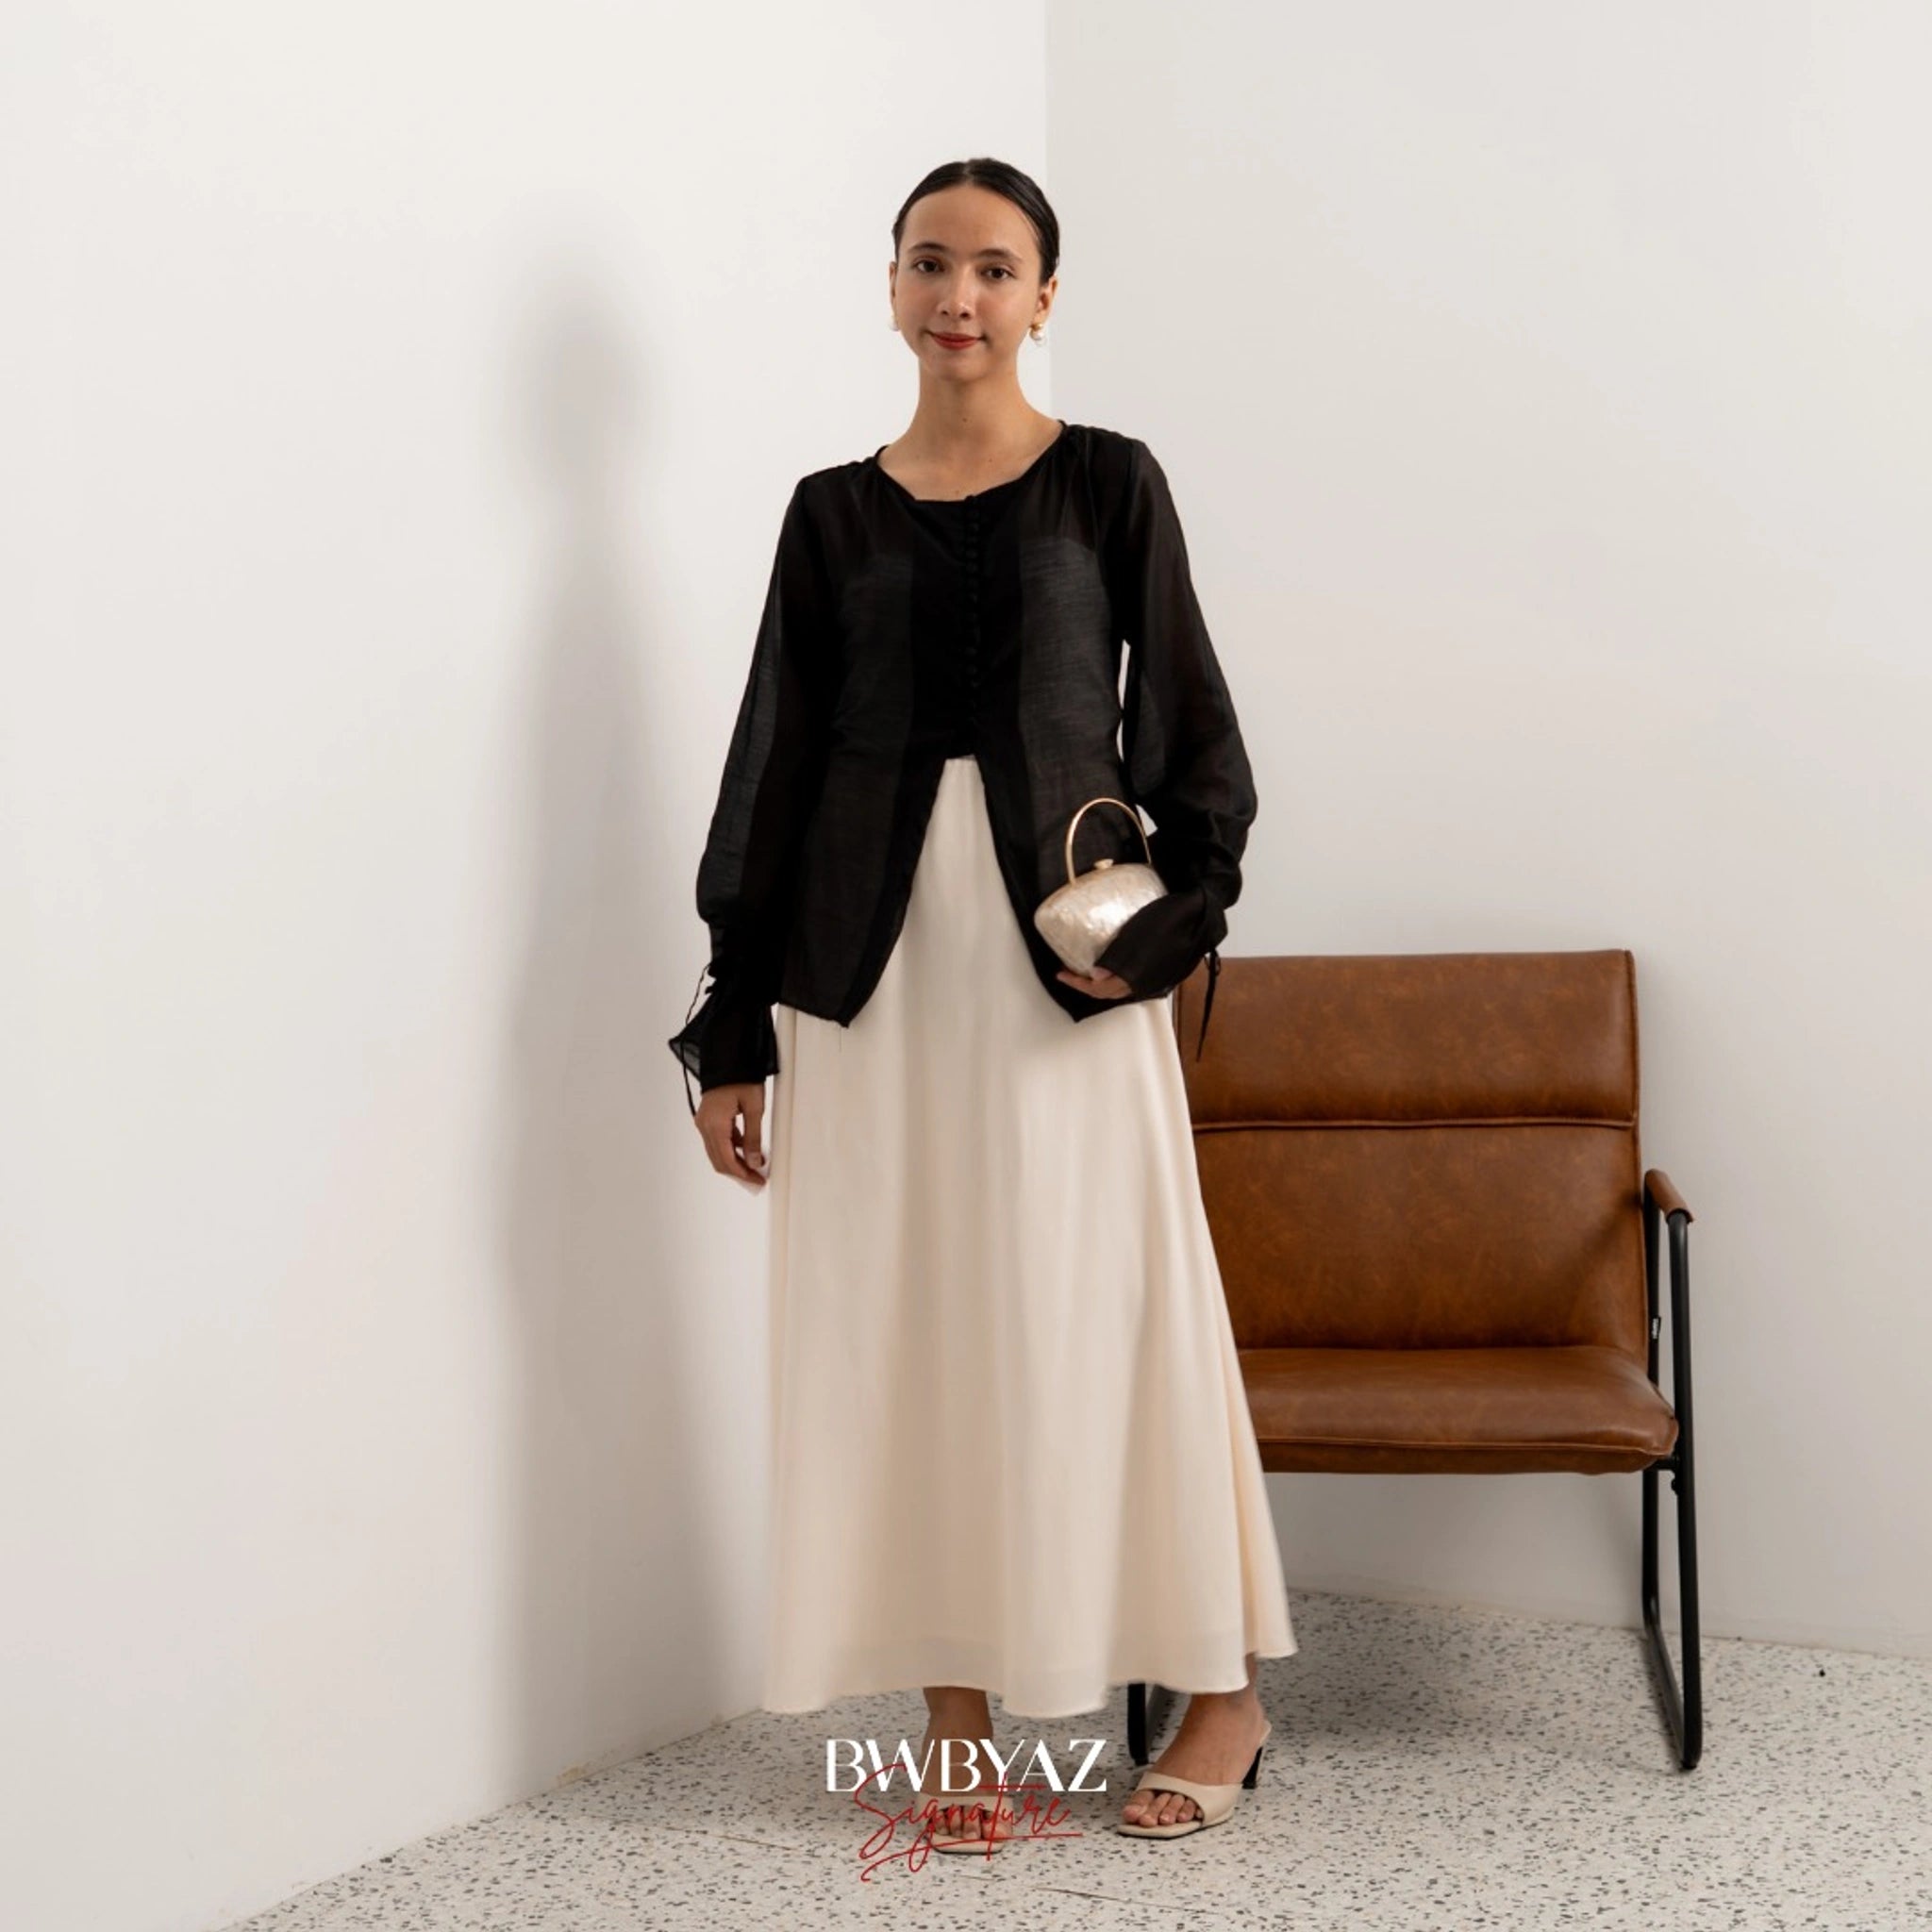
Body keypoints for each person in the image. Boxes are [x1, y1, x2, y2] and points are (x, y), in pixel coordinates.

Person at [669, 157, 1296, 1847]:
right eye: (930, 264)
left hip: (1062, 975)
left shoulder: (1108, 486)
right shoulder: (827, 513)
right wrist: (734, 1025)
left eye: (995, 267)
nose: (961, 295)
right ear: (889, 290)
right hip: (862, 979)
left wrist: (1168, 937)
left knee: (1111, 1307)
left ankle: (1220, 1691)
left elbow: (1191, 738)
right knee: (909, 1318)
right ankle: (956, 1714)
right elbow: (774, 768)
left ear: (1044, 297)